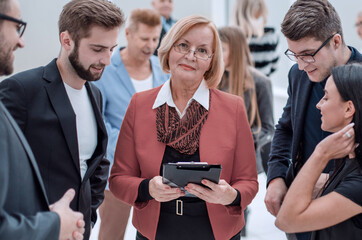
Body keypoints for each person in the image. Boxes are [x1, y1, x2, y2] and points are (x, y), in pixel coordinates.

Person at [109, 15, 258, 240]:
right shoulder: (140, 104)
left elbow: (249, 182)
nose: (191, 56)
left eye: (202, 50)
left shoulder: (233, 108)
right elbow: (119, 179)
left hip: (217, 233)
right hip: (156, 232)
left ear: (211, 61)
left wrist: (229, 195)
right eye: (183, 45)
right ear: (169, 49)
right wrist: (148, 188)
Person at [0, 0, 125, 239]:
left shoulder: (95, 94)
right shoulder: (20, 90)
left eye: (112, 49)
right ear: (67, 40)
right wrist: (47, 224)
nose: (107, 60)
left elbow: (97, 165)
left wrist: (87, 216)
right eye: (98, 49)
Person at [264, 1, 362, 240]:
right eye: (294, 55)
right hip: (298, 203)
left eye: (307, 55)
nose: (300, 65)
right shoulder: (298, 74)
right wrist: (276, 177)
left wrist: (331, 178)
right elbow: (286, 127)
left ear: (336, 41)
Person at [0, 0, 85, 239]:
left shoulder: (94, 95)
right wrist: (52, 225)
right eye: (17, 27)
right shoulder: (20, 88)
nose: (21, 41)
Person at [94, 8, 168, 240]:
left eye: (155, 39)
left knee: (154, 232)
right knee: (112, 233)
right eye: (144, 38)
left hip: (157, 172)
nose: (150, 45)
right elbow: (99, 122)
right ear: (128, 34)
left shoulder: (162, 70)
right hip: (118, 170)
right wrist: (134, 147)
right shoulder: (105, 71)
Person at [276, 63, 362, 240]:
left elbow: (286, 220)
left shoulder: (358, 182)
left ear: (348, 109)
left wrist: (321, 153)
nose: (318, 104)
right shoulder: (349, 162)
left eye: (326, 97)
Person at [218, 26, 274, 236]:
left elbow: (268, 128)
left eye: (222, 48)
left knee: (235, 206)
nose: (216, 54)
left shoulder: (261, 83)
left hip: (243, 160)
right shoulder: (212, 80)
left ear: (236, 49)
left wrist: (238, 141)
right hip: (214, 156)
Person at [231, 0, 279, 76]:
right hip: (263, 85)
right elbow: (274, 66)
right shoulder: (271, 35)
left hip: (236, 86)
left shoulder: (230, 36)